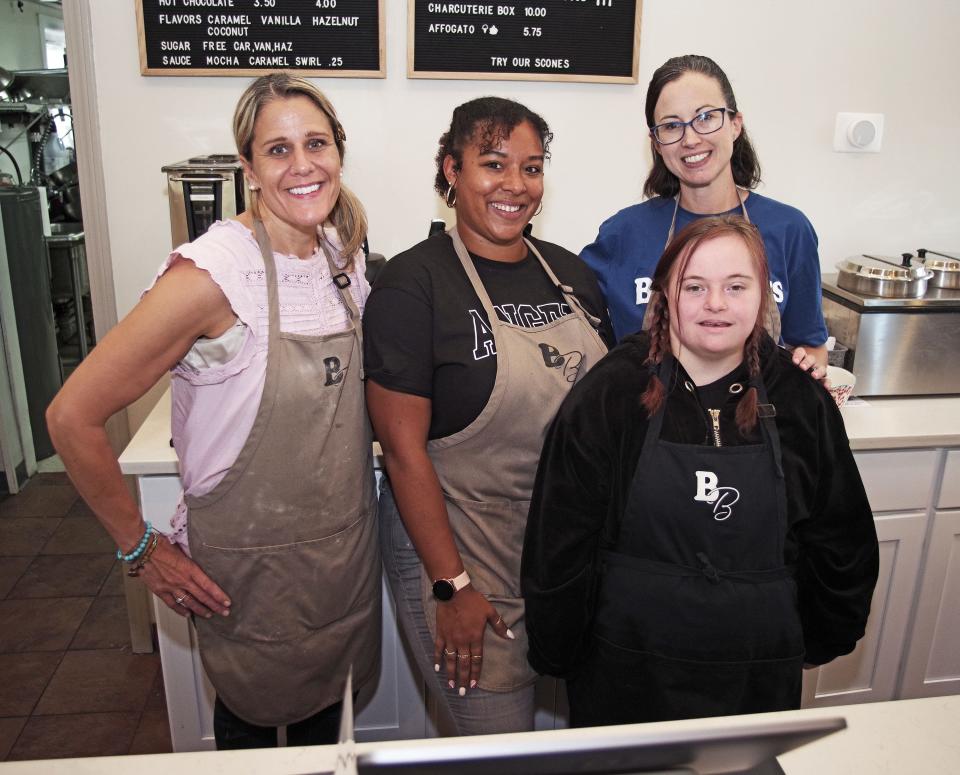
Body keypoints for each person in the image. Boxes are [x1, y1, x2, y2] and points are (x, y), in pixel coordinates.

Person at [45, 73, 380, 749]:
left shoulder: (343, 255)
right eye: (278, 150)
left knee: (323, 732)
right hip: (249, 571)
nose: (302, 164)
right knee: (251, 739)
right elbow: (70, 415)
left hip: (338, 561)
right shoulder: (209, 274)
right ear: (248, 168)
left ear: (339, 152)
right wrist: (140, 549)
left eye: (316, 143)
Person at [522, 215, 879, 727]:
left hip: (757, 675)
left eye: (736, 286)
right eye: (695, 286)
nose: (716, 303)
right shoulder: (612, 393)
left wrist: (821, 636)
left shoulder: (800, 400)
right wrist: (560, 650)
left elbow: (841, 538)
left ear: (762, 297)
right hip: (625, 670)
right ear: (666, 294)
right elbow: (559, 539)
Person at [363, 97, 613, 735]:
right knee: (499, 752)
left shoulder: (571, 274)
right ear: (451, 169)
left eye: (531, 168)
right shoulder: (413, 286)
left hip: (561, 556)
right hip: (466, 551)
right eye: (493, 163)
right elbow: (401, 451)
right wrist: (451, 585)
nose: (515, 186)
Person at [581, 54, 830, 372]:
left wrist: (809, 369)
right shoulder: (622, 233)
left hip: (751, 415)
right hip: (646, 416)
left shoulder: (789, 229)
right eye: (672, 126)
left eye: (706, 117)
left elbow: (810, 346)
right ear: (656, 143)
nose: (691, 139)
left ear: (735, 124)